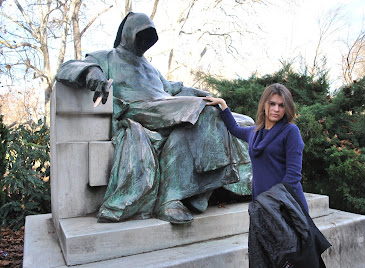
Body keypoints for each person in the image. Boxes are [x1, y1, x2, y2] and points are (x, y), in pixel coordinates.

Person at [55, 12, 253, 224]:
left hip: (167, 106)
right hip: (140, 108)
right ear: (128, 33)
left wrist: (204, 94)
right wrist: (93, 75)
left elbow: (174, 89)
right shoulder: (107, 56)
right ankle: (173, 198)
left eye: (148, 37)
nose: (144, 41)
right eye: (140, 35)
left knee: (242, 121)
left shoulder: (150, 67)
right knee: (206, 111)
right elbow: (69, 67)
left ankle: (226, 186)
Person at [203, 83, 308, 211]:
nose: (276, 109)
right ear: (264, 104)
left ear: (287, 108)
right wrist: (223, 104)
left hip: (286, 204)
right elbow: (235, 129)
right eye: (272, 104)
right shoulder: (254, 132)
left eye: (281, 105)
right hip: (262, 203)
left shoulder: (291, 131)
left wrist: (276, 201)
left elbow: (293, 175)